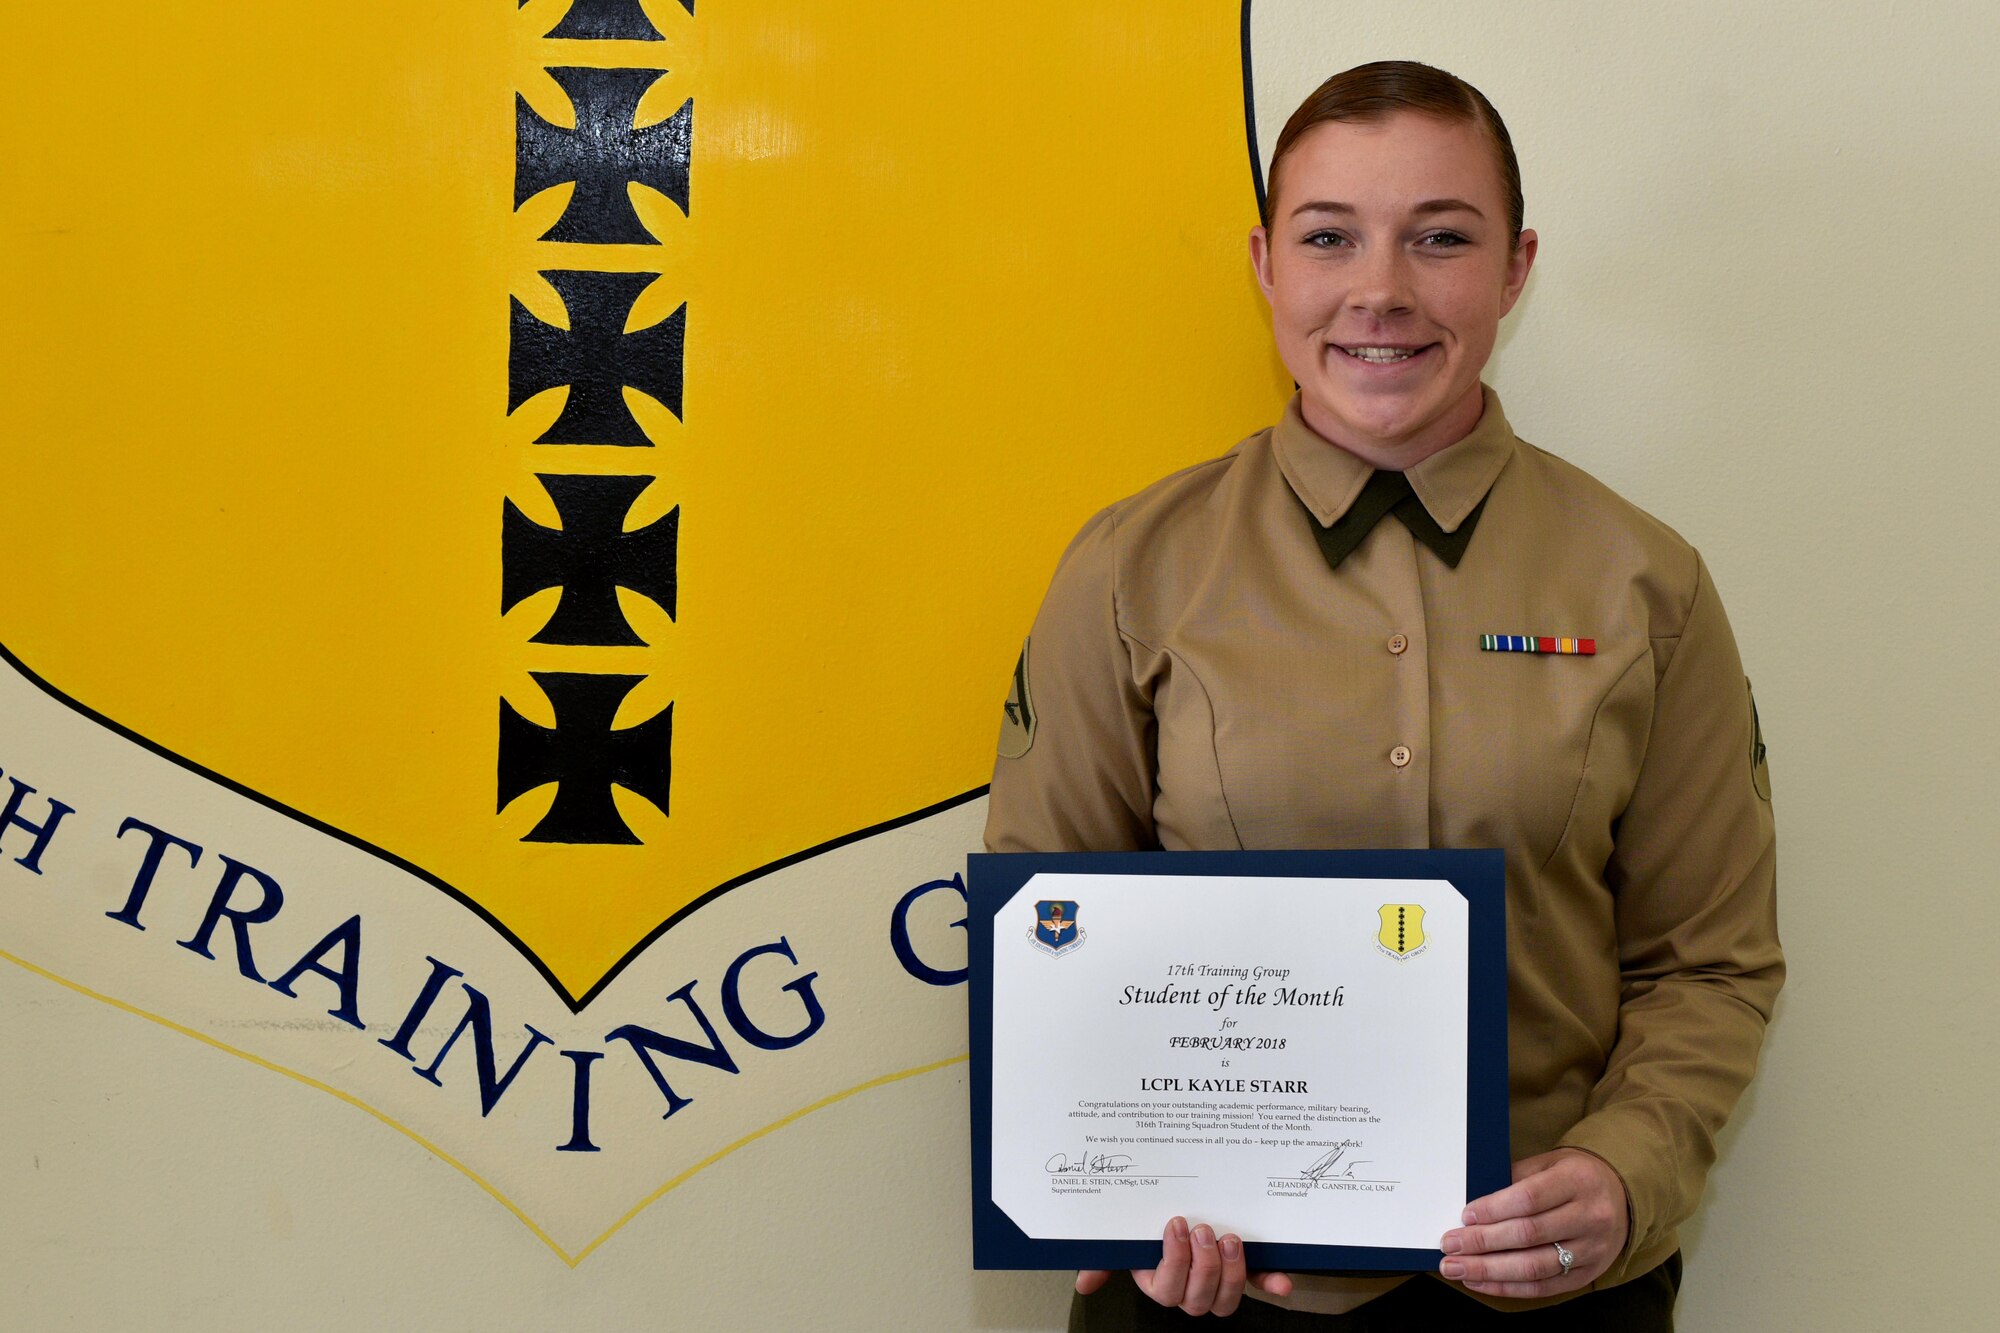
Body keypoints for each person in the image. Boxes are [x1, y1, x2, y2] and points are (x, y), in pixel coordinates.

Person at [984, 61, 1782, 1328]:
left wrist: (1624, 1174)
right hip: (1207, 1298)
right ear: (1264, 263)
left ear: (1514, 268)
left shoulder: (1646, 582)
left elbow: (1709, 962)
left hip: (1545, 1293)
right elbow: (1044, 932)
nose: (1380, 291)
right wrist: (1112, 1185)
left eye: (1440, 239)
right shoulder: (1128, 569)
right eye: (1327, 237)